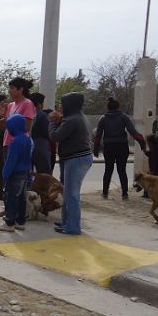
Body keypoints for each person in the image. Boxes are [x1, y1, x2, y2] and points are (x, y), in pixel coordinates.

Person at [49, 92, 93, 235]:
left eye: (62, 103)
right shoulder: (78, 117)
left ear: (69, 105)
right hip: (77, 158)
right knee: (69, 192)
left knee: (71, 194)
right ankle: (67, 221)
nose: (60, 106)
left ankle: (72, 226)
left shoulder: (72, 119)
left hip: (76, 159)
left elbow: (55, 136)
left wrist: (52, 122)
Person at [93, 97, 146, 200]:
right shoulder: (123, 117)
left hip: (109, 147)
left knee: (108, 170)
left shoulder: (103, 118)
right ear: (118, 106)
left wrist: (95, 148)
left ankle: (105, 193)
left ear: (108, 107)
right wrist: (142, 142)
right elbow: (132, 131)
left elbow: (98, 135)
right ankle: (125, 194)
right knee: (122, 170)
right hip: (122, 146)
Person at [0, 114, 33, 232]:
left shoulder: (15, 141)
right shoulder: (27, 139)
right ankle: (20, 221)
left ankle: (9, 222)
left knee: (11, 198)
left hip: (15, 174)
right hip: (25, 172)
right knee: (21, 198)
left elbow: (11, 160)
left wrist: (5, 173)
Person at [30, 93, 52, 174]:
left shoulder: (27, 113)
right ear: (39, 104)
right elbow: (47, 132)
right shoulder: (42, 115)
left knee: (27, 175)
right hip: (41, 145)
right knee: (44, 175)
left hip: (28, 144)